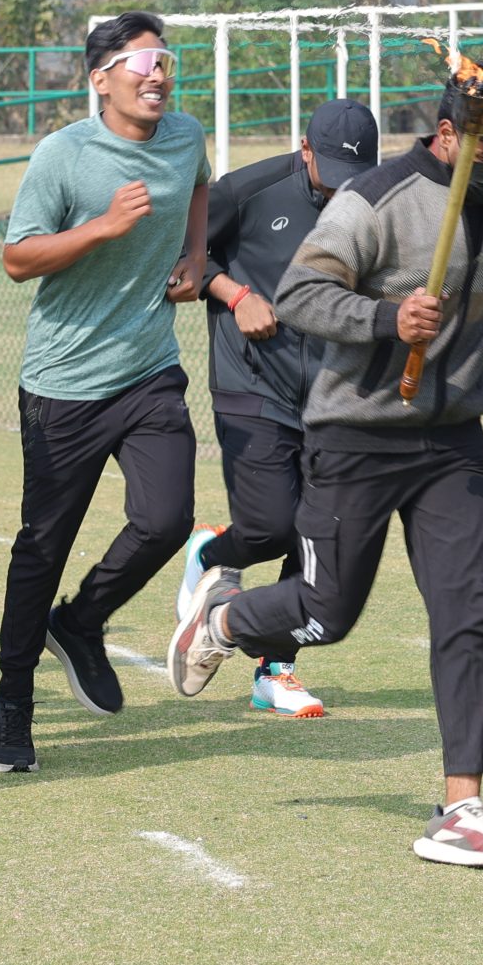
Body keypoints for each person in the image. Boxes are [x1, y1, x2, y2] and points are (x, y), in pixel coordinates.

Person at [170, 72, 483, 871]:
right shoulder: (373, 201)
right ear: (449, 135)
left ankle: (464, 806)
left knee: (469, 617)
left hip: (453, 440)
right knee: (327, 612)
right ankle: (224, 621)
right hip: (355, 434)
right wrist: (388, 317)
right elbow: (303, 293)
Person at [0, 10, 209, 775]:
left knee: (166, 518)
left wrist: (196, 253)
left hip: (149, 368)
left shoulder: (186, 136)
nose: (158, 75)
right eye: (141, 63)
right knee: (42, 545)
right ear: (101, 79)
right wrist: (102, 229)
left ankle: (81, 621)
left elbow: (199, 185)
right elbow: (17, 258)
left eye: (164, 60)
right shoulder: (65, 154)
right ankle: (13, 699)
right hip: (65, 382)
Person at [177, 97, 379, 718]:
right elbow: (183, 252)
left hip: (334, 394)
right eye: (332, 175)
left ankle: (275, 669)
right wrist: (236, 295)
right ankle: (211, 555)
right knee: (270, 526)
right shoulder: (250, 190)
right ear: (305, 149)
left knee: (319, 531)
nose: (343, 190)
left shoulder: (376, 202)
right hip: (253, 383)